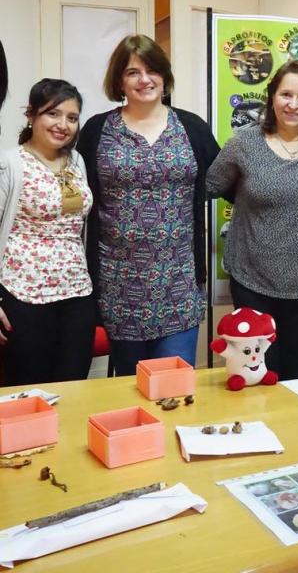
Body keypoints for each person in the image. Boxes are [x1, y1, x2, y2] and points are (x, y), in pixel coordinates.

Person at [77, 34, 220, 375]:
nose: (145, 79)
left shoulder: (191, 127)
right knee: (129, 386)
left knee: (173, 386)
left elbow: (227, 181)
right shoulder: (98, 130)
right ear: (119, 81)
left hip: (178, 283)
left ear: (164, 76)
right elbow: (75, 191)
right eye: (132, 72)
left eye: (153, 69)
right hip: (119, 286)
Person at [206, 60, 298, 380]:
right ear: (272, 96)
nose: (293, 104)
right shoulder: (243, 143)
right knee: (255, 375)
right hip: (252, 282)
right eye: (285, 94)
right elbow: (212, 185)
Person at [0, 79, 94, 385]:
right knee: (29, 391)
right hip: (23, 295)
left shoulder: (76, 162)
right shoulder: (10, 164)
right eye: (53, 114)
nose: (62, 125)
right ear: (31, 115)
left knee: (73, 388)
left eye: (72, 117)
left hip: (77, 292)